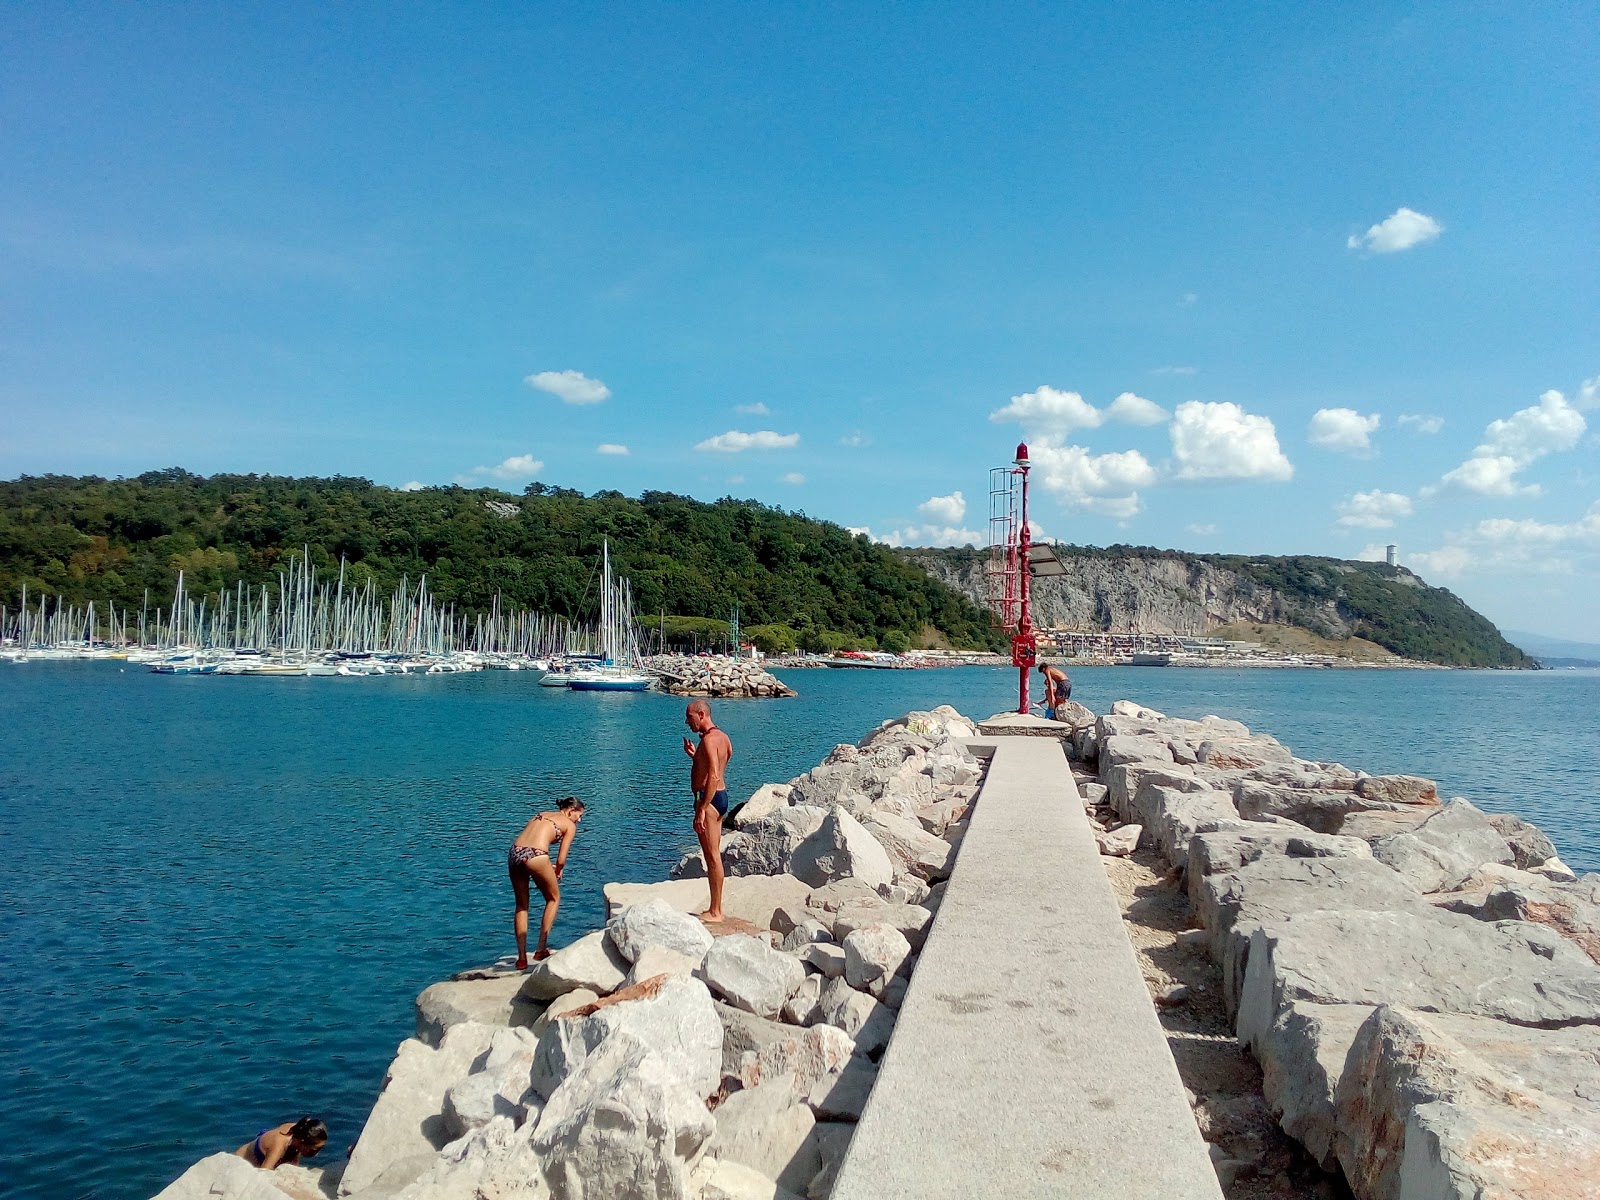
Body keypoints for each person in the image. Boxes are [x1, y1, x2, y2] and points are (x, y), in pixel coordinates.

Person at [508, 796, 586, 969]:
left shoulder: (542, 814)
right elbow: (561, 859)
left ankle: (521, 959)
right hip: (536, 855)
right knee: (553, 898)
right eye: (579, 816)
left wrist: (544, 863)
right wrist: (558, 870)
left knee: (522, 905)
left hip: (515, 852)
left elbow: (531, 840)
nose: (579, 820)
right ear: (570, 811)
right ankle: (540, 949)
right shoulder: (569, 826)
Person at [683, 699, 732, 923]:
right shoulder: (723, 738)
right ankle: (715, 908)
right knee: (713, 855)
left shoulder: (710, 740)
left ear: (701, 714)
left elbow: (713, 775)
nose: (687, 722)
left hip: (709, 802)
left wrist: (702, 808)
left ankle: (716, 911)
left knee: (712, 857)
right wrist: (696, 756)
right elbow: (721, 763)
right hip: (721, 798)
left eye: (690, 717)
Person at [236, 1117, 327, 1170]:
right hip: (242, 1162)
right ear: (302, 1142)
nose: (317, 1154)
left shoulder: (301, 1129)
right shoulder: (278, 1147)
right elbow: (263, 1173)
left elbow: (295, 1155)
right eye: (314, 1150)